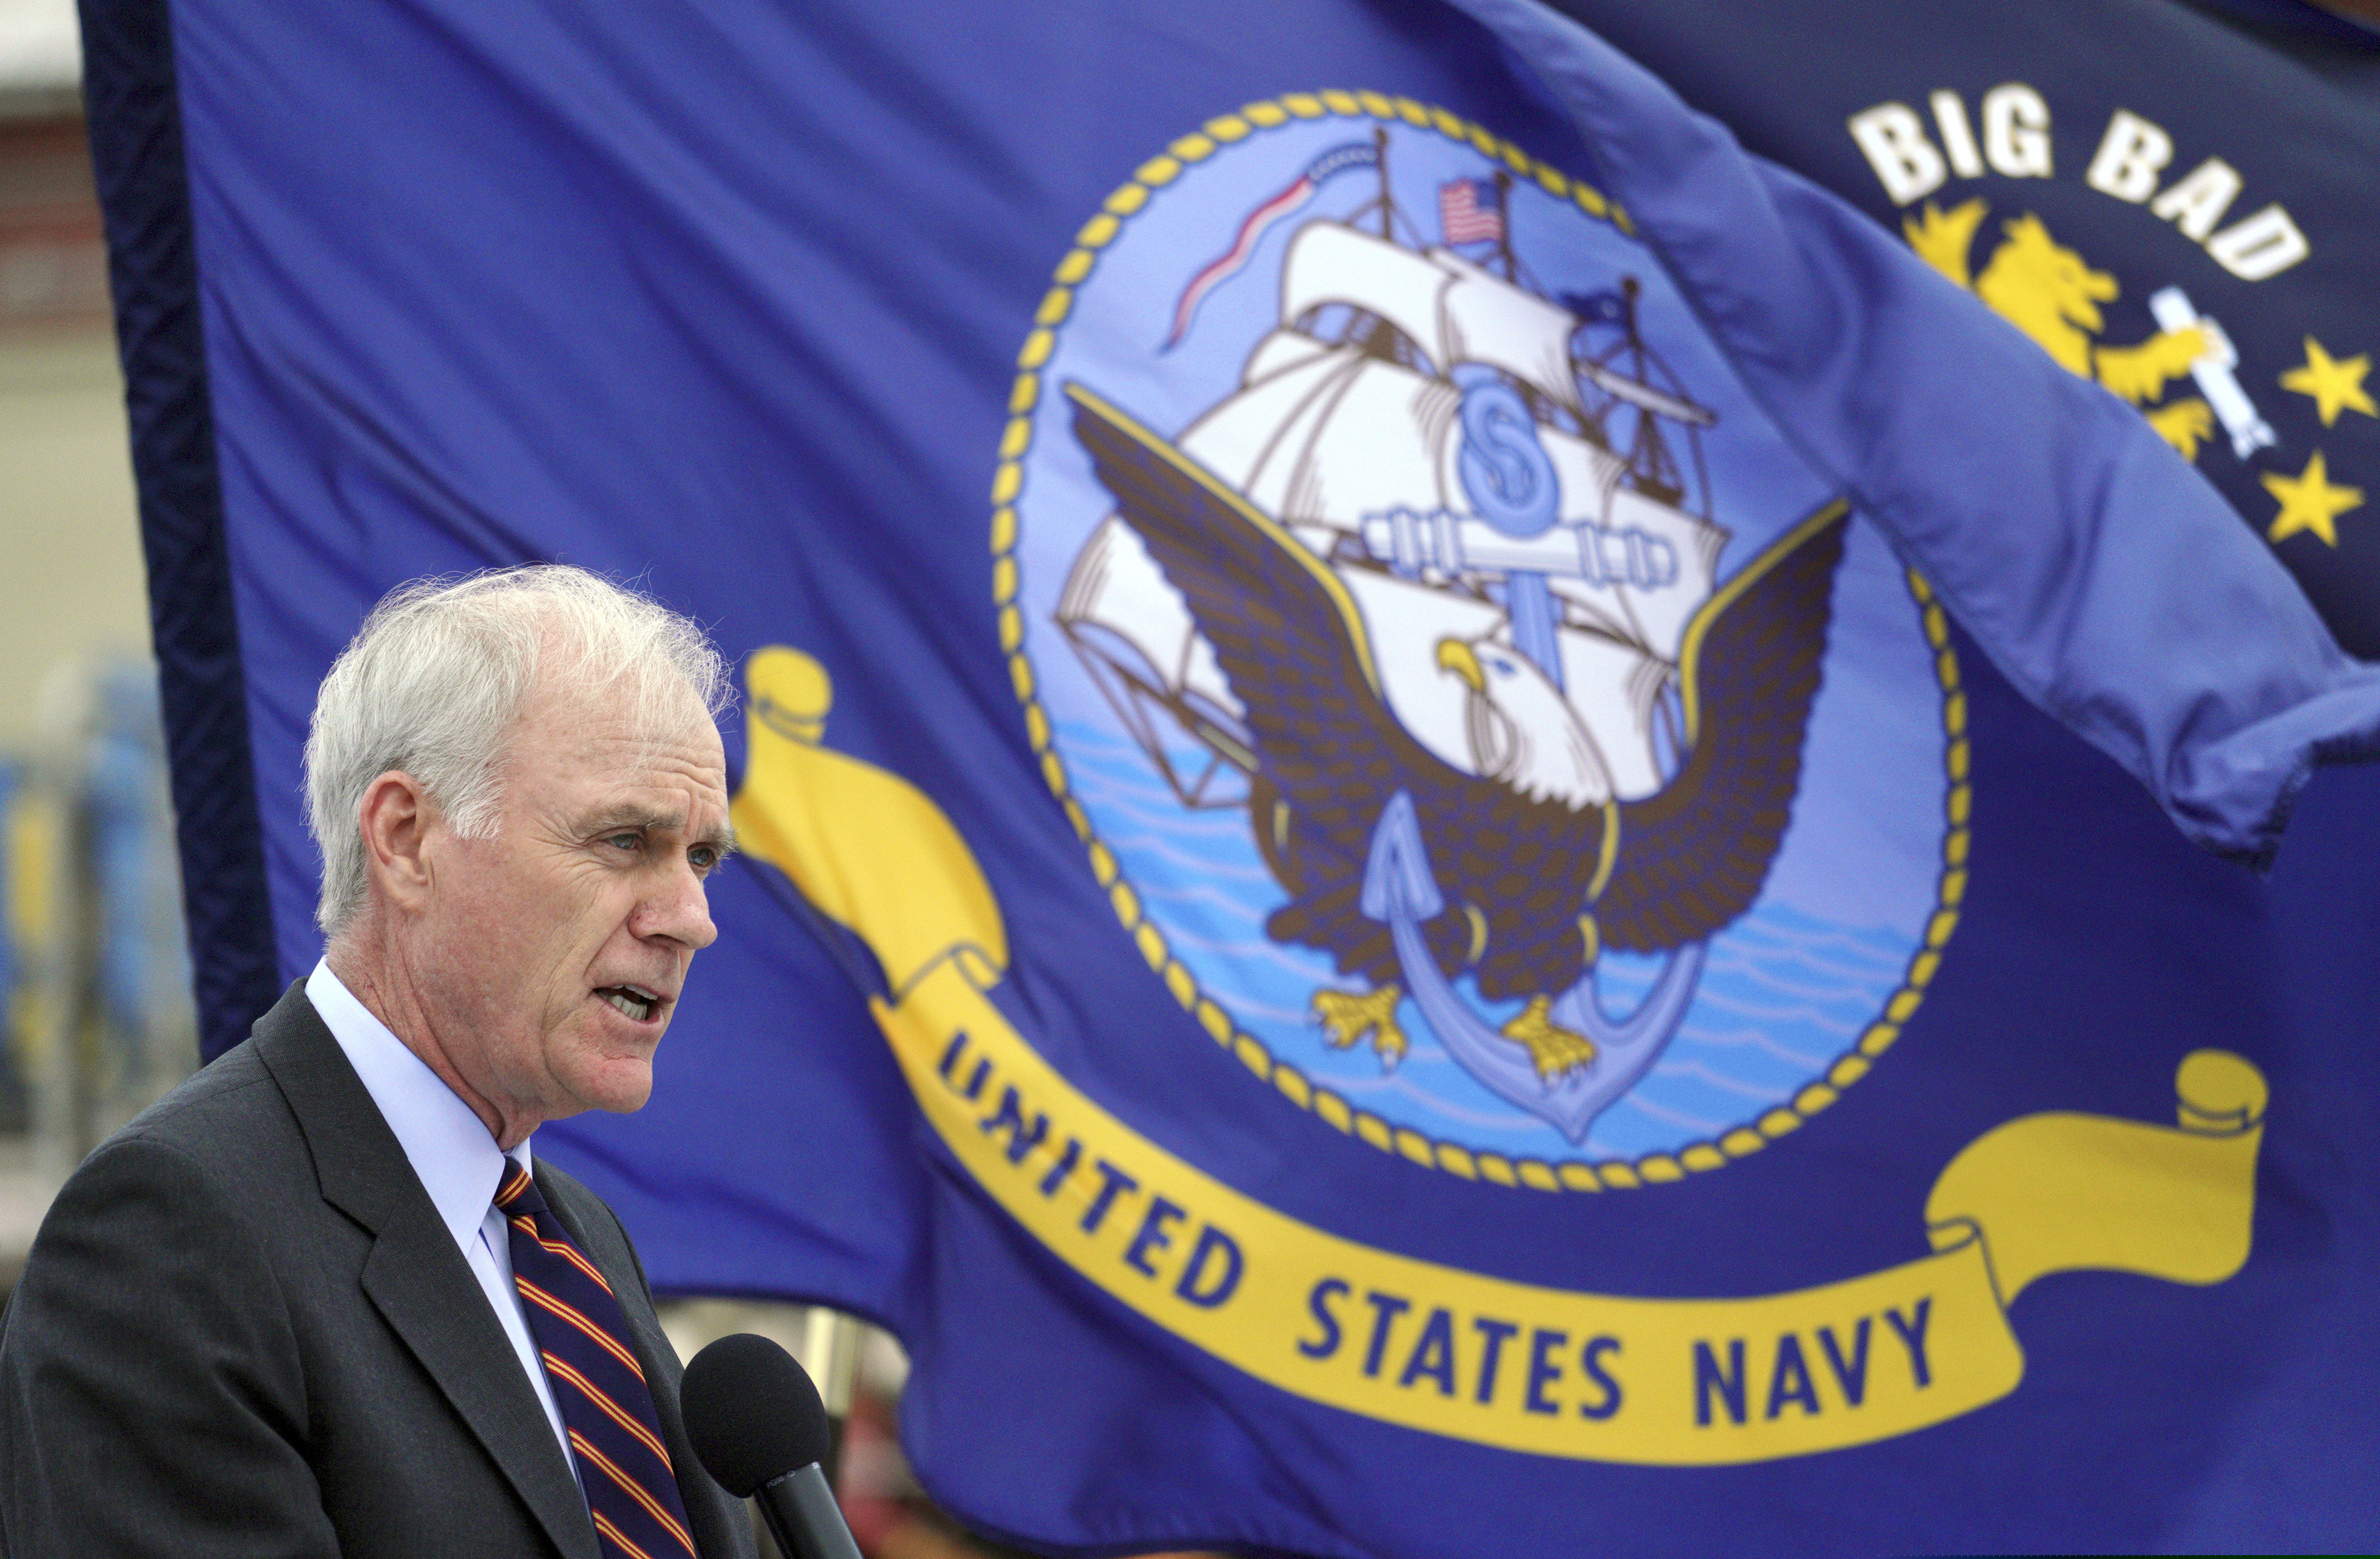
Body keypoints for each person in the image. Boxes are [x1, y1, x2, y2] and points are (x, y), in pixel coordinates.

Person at [0, 566, 758, 1559]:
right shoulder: (170, 1234)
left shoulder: (578, 1239)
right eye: (625, 840)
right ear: (406, 840)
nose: (692, 919)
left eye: (701, 857)